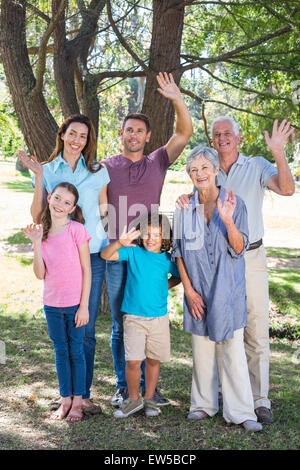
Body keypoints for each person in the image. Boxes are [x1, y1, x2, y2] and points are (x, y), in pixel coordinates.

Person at [177, 117, 295, 424]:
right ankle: (210, 399)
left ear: (239, 138)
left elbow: (286, 189)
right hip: (208, 266)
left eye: (228, 132)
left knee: (252, 329)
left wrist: (278, 152)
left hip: (247, 255)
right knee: (209, 329)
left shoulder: (255, 166)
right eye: (217, 134)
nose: (222, 137)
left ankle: (258, 400)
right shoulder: (199, 181)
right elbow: (185, 232)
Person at [101, 72, 193, 407]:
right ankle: (125, 388)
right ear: (121, 134)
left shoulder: (158, 162)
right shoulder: (106, 166)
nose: (134, 135)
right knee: (120, 323)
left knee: (151, 320)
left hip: (151, 254)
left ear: (148, 136)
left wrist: (176, 98)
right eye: (129, 130)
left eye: (140, 130)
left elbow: (184, 132)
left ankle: (148, 391)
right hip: (119, 254)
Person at [19, 114, 110, 414]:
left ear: (88, 141)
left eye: (83, 136)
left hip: (90, 254)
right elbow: (37, 213)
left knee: (85, 329)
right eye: (72, 134)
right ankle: (67, 396)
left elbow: (105, 209)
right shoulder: (47, 170)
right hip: (59, 259)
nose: (77, 140)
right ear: (62, 135)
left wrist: (104, 237)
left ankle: (81, 397)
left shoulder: (98, 172)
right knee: (64, 339)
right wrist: (37, 178)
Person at [173, 146, 262, 431]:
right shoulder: (184, 206)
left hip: (227, 289)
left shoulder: (235, 203)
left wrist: (227, 221)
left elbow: (239, 248)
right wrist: (188, 290)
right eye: (193, 170)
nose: (199, 174)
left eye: (204, 168)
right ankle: (202, 405)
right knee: (201, 350)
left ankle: (242, 412)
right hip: (196, 289)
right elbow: (178, 252)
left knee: (233, 350)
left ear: (215, 171)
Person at [101, 213, 181, 418]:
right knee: (133, 361)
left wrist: (164, 287)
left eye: (156, 234)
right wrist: (120, 242)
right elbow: (106, 255)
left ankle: (149, 399)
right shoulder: (134, 252)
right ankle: (134, 399)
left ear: (165, 237)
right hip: (134, 318)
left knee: (153, 360)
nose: (150, 238)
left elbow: (179, 276)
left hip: (158, 319)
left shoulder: (166, 260)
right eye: (146, 233)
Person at [23, 182, 91, 422]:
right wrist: (35, 243)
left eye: (67, 202)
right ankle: (65, 400)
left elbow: (87, 269)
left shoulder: (77, 230)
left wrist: (84, 306)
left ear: (72, 208)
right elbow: (40, 274)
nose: (60, 205)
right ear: (49, 198)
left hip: (75, 305)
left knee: (77, 352)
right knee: (61, 352)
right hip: (52, 304)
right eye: (58, 198)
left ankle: (78, 402)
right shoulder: (41, 232)